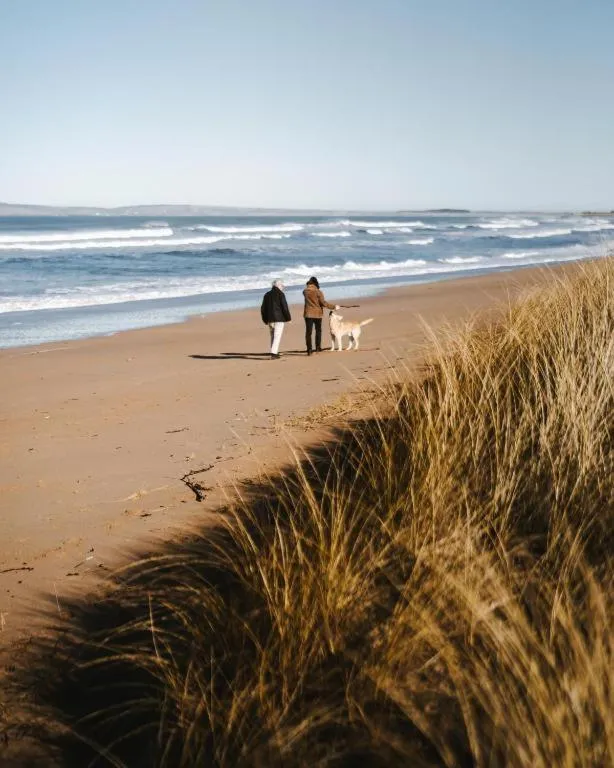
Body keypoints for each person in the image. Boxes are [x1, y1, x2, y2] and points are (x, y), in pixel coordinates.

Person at [302, 276, 338, 355]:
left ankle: (309, 349)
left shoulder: (305, 291)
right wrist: (334, 306)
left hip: (308, 314)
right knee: (318, 331)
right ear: (316, 283)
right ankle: (318, 347)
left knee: (308, 332)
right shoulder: (318, 292)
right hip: (317, 314)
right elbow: (323, 303)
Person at [260, 279, 291, 359]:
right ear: (278, 285)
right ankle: (273, 353)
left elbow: (263, 308)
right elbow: (285, 307)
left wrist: (265, 319)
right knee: (277, 336)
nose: (283, 287)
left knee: (273, 336)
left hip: (270, 319)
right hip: (279, 319)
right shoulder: (281, 294)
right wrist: (288, 318)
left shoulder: (267, 294)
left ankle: (274, 352)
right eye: (282, 285)